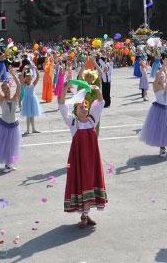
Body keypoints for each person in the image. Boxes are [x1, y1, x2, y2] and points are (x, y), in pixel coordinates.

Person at [58, 79, 107, 229]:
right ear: (75, 111)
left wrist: (96, 89)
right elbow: (61, 105)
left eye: (85, 106)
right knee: (83, 183)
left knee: (91, 183)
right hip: (79, 159)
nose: (84, 108)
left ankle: (85, 215)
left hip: (92, 159)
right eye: (80, 107)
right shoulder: (73, 123)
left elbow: (101, 101)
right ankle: (85, 216)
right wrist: (65, 88)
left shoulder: (93, 119)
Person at [139, 59, 167, 157]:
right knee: (161, 129)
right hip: (159, 110)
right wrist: (162, 68)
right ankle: (162, 149)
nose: (161, 75)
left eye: (162, 75)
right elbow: (158, 75)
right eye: (160, 75)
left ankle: (163, 147)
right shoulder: (155, 85)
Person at [20, 67, 42, 135]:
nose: (29, 79)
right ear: (26, 79)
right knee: (28, 116)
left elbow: (38, 77)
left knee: (32, 115)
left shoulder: (33, 84)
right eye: (27, 78)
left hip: (32, 100)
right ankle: (27, 130)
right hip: (27, 101)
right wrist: (23, 70)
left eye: (30, 78)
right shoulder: (24, 85)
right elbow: (21, 77)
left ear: (32, 78)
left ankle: (33, 129)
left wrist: (36, 69)